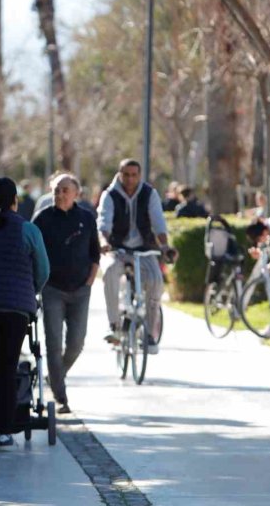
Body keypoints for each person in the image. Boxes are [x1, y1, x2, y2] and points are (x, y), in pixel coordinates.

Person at [0, 178, 49, 450]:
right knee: (6, 368)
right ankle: (5, 432)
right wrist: (30, 291)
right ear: (15, 200)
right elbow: (43, 270)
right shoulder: (28, 230)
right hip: (15, 311)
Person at [33, 174, 99, 414]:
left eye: (65, 190)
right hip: (52, 289)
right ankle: (61, 397)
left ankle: (55, 376)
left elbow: (95, 253)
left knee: (76, 343)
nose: (60, 194)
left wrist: (90, 281)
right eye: (56, 190)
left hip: (81, 289)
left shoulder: (87, 218)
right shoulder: (42, 219)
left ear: (76, 194)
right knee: (53, 343)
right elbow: (32, 250)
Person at [97, 159, 171, 355]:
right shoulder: (110, 195)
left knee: (156, 281)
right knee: (111, 272)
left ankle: (149, 333)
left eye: (134, 175)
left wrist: (164, 246)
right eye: (126, 175)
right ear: (120, 174)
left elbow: (158, 222)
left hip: (144, 249)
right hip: (118, 249)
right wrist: (104, 242)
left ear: (140, 175)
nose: (130, 179)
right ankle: (114, 325)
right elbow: (104, 222)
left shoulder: (149, 194)